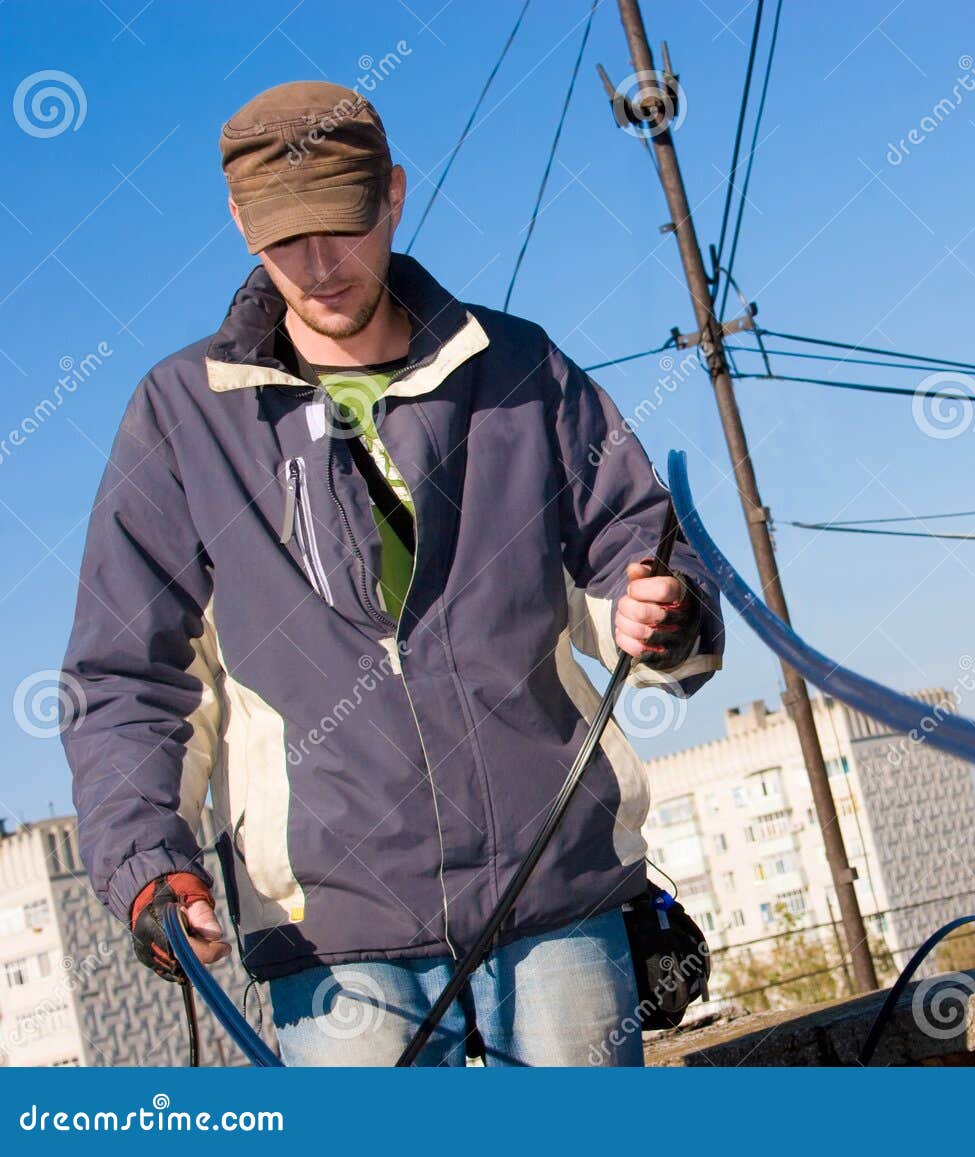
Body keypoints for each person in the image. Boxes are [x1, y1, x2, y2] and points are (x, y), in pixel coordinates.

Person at [59, 80, 724, 1066]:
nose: (320, 265)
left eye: (344, 225)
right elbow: (127, 677)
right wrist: (149, 860)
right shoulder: (181, 417)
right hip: (331, 942)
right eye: (286, 238)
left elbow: (639, 552)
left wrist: (662, 610)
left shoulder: (520, 369)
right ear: (239, 222)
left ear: (396, 195)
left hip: (556, 897)